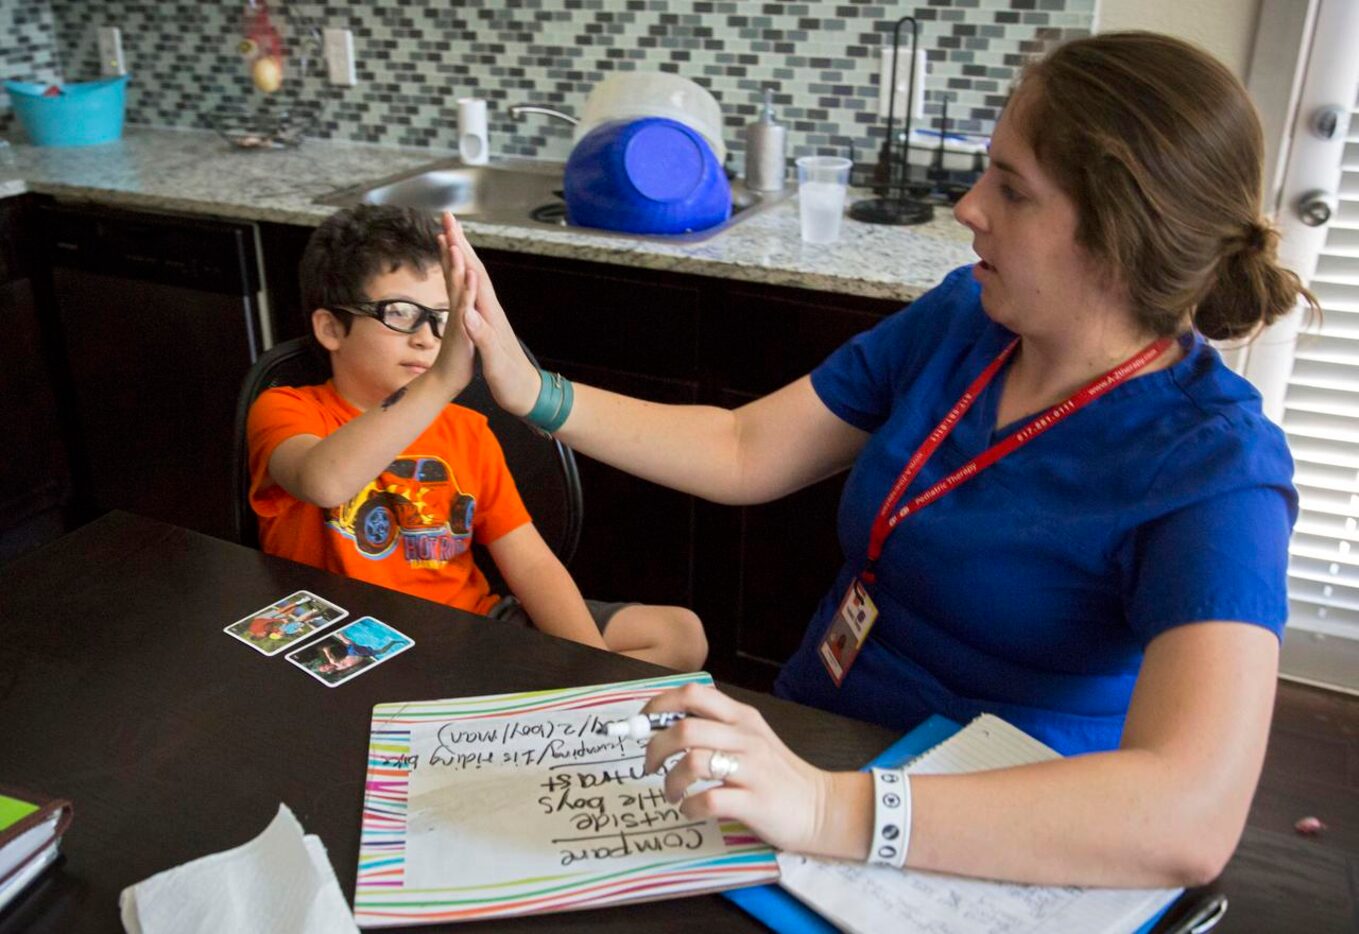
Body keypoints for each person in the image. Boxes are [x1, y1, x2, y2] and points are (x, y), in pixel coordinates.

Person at [444, 31, 1315, 888]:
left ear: (1119, 237)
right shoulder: (965, 322)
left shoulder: (1215, 467)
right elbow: (745, 449)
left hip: (993, 833)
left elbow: (1189, 815)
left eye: (1009, 189)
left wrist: (829, 812)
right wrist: (533, 393)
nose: (967, 208)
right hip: (818, 740)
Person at [246, 205, 707, 670]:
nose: (428, 338)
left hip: (472, 627)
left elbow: (532, 565)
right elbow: (325, 481)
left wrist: (590, 669)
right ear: (330, 328)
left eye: (444, 318)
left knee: (680, 634)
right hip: (349, 642)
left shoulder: (468, 431)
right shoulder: (286, 410)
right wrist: (441, 380)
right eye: (401, 313)